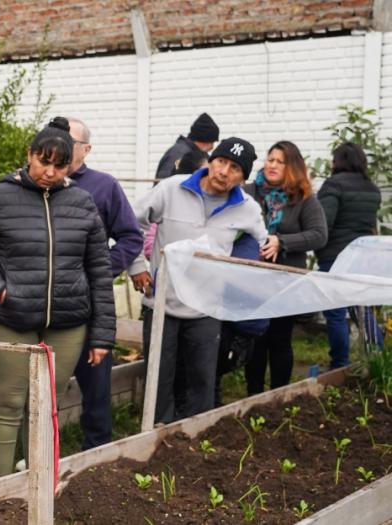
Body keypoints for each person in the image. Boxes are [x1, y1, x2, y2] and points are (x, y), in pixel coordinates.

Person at [0, 117, 115, 478]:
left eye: (60, 165)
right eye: (43, 161)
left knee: (45, 407)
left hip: (67, 323)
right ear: (29, 155)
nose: (50, 172)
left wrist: (103, 334)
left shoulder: (82, 203)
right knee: (8, 404)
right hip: (7, 318)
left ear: (70, 164)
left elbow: (99, 270)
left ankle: (39, 486)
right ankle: (0, 495)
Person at [129, 137, 267, 423]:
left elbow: (261, 244)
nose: (224, 172)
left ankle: (195, 439)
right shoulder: (171, 189)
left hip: (206, 308)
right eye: (220, 162)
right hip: (161, 302)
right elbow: (131, 224)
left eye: (234, 168)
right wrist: (136, 265)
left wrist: (275, 242)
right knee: (158, 376)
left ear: (243, 177)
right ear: (210, 161)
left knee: (201, 379)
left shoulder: (248, 208)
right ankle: (154, 434)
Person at [65, 117, 142, 449]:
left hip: (90, 302)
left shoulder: (103, 186)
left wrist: (99, 269)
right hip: (43, 303)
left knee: (95, 382)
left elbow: (130, 236)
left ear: (87, 149)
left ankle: (95, 453)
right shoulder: (33, 182)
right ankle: (36, 454)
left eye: (70, 142)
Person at [243, 141, 327, 393]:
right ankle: (252, 396)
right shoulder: (248, 193)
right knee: (255, 339)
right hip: (250, 278)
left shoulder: (302, 199)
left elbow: (319, 235)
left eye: (280, 161)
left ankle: (279, 395)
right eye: (270, 159)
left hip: (284, 280)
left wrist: (283, 241)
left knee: (279, 339)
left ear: (292, 167)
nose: (272, 165)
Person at [316, 142, 383, 368]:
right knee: (362, 309)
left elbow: (324, 223)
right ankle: (377, 357)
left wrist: (318, 247)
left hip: (335, 257)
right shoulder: (372, 189)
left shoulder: (334, 185)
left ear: (338, 162)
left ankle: (340, 363)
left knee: (335, 312)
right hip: (363, 258)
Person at [155, 113, 219, 180]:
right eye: (212, 142)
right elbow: (165, 180)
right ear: (206, 140)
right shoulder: (179, 153)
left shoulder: (188, 152)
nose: (212, 147)